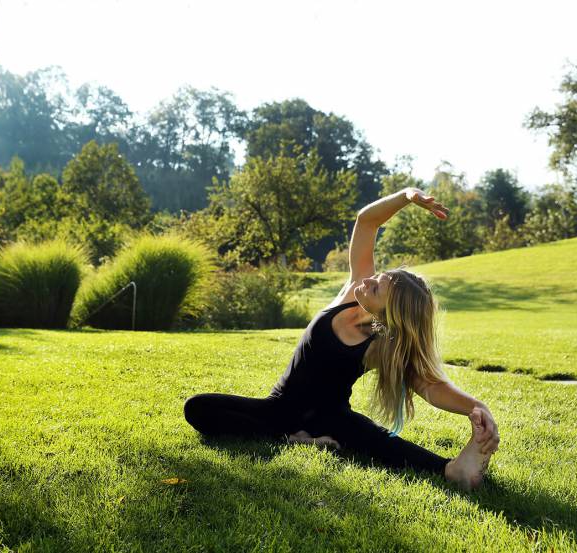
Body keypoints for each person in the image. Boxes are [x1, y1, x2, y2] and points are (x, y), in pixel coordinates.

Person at [183, 187, 500, 491]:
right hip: (279, 409)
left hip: (333, 418)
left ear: (390, 313)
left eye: (377, 287)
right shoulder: (352, 293)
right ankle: (297, 438)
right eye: (378, 276)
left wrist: (477, 408)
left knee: (377, 441)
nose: (369, 280)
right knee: (197, 408)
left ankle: (454, 469)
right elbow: (367, 221)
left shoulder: (382, 345)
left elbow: (430, 386)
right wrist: (407, 196)